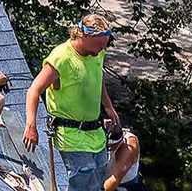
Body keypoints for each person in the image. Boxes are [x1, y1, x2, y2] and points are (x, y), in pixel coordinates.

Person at [22, 15, 122, 191]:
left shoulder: (97, 53)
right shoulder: (61, 58)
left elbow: (97, 80)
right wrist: (31, 125)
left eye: (105, 43)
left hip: (95, 131)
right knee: (84, 175)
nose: (103, 48)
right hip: (70, 132)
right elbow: (34, 90)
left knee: (98, 179)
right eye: (100, 43)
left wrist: (108, 107)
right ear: (83, 36)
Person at [104, 123, 142, 190]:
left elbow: (114, 179)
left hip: (125, 183)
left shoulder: (128, 148)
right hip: (103, 176)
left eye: (110, 146)